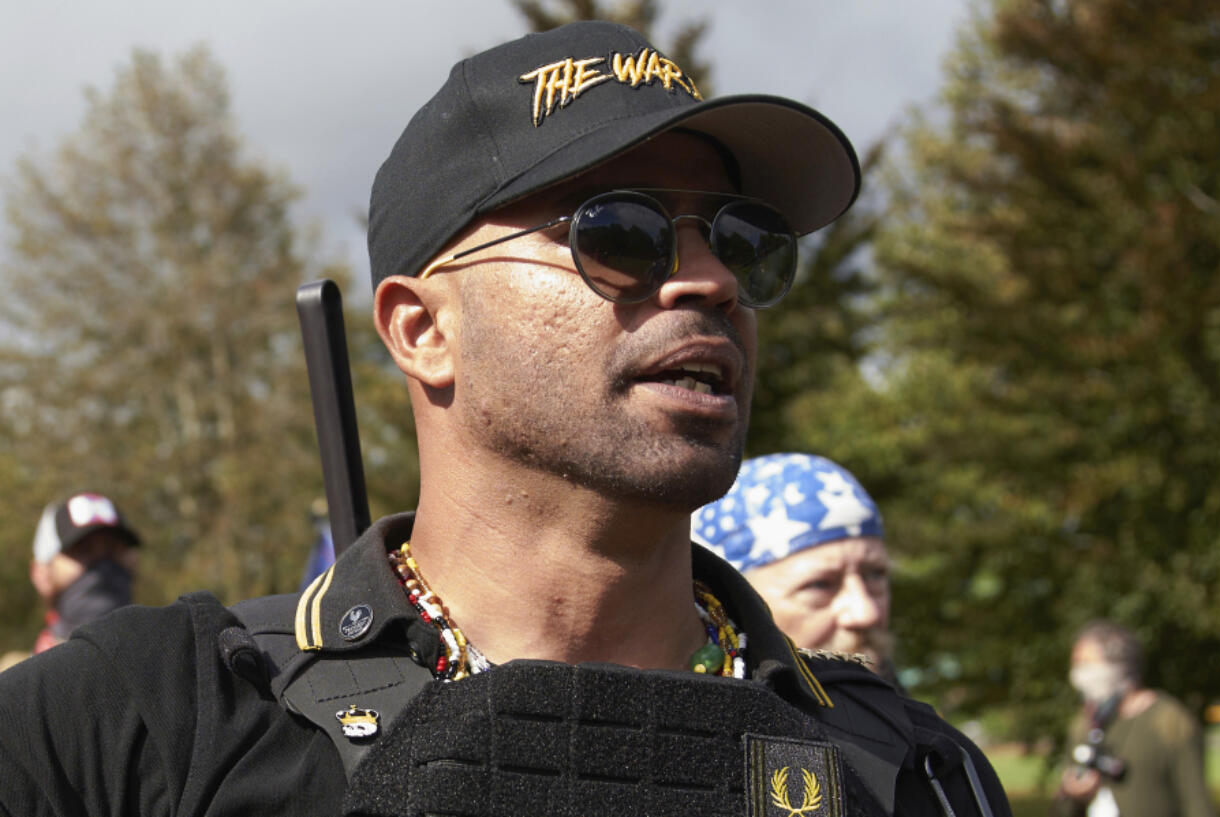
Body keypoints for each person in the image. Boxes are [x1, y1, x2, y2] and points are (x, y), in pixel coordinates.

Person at [0, 21, 1009, 816]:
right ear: (421, 330)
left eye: (745, 240)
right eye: (622, 230)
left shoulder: (910, 770)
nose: (707, 279)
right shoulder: (148, 723)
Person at [692, 452, 899, 683]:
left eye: (875, 575)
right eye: (820, 585)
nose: (866, 614)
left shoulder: (916, 718)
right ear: (732, 599)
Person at [1052, 620, 1217, 817]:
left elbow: (1196, 804)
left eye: (1086, 663)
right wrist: (1071, 795)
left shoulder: (1169, 721)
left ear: (1120, 666)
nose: (1078, 674)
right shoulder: (1084, 724)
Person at [28, 491, 140, 654]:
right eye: (83, 549)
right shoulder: (11, 677)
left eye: (113, 549)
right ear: (41, 574)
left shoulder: (177, 666)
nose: (103, 567)